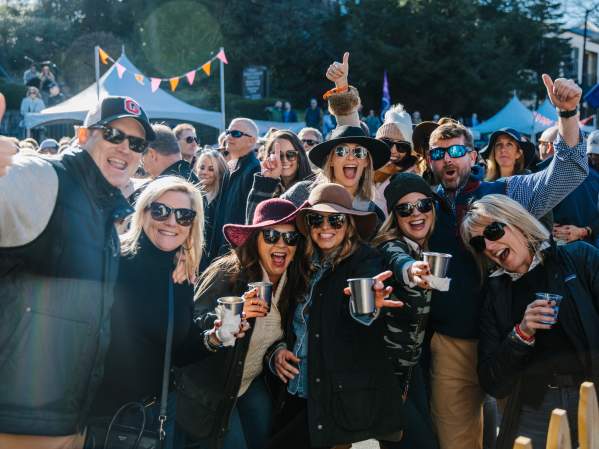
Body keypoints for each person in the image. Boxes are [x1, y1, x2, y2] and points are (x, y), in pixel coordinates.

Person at [424, 74, 586, 449]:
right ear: (428, 162)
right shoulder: (420, 208)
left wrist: (567, 115)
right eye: (437, 154)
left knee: (519, 440)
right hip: (456, 344)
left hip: (518, 338)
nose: (446, 159)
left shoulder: (506, 194)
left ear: (472, 155)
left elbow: (568, 172)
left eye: (455, 151)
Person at [0, 95, 155, 448]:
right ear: (83, 136)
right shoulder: (43, 178)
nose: (125, 149)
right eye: (113, 134)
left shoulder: (103, 211)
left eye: (137, 143)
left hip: (68, 421)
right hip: (17, 424)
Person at [87, 176, 226, 448]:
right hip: (104, 416)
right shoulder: (114, 260)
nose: (172, 222)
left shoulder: (181, 274)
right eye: (160, 210)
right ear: (143, 211)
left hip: (156, 414)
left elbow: (176, 349)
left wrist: (215, 337)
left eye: (184, 215)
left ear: (193, 224)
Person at [267, 183, 404, 449]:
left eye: (336, 219)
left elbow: (361, 309)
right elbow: (284, 320)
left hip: (336, 399)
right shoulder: (300, 263)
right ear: (307, 225)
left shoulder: (366, 260)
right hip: (296, 389)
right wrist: (277, 349)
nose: (325, 227)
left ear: (349, 223)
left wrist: (367, 306)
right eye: (317, 219)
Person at [460, 194, 599, 449]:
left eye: (493, 230)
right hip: (537, 408)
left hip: (592, 395)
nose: (489, 246)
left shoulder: (578, 258)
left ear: (517, 222)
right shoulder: (496, 292)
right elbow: (492, 382)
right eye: (479, 244)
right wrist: (521, 334)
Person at [177, 198, 309, 449]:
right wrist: (234, 314)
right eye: (271, 235)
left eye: (290, 238)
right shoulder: (228, 273)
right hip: (211, 389)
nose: (281, 244)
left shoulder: (292, 282)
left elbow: (275, 334)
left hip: (248, 382)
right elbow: (191, 329)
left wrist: (277, 352)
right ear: (255, 240)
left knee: (267, 440)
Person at [372, 173, 441, 449]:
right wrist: (411, 270)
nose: (416, 214)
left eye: (423, 205)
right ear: (394, 217)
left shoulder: (426, 249)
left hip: (411, 373)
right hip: (385, 375)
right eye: (405, 209)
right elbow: (397, 261)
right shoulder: (393, 246)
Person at [205, 118, 261, 262]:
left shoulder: (255, 170)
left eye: (236, 133)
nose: (228, 136)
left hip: (235, 258)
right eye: (228, 132)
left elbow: (250, 221)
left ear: (251, 140)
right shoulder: (230, 167)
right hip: (219, 253)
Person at [245, 130, 314, 223]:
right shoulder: (263, 185)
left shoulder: (313, 187)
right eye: (279, 155)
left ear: (300, 156)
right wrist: (267, 181)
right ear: (269, 157)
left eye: (291, 154)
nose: (285, 160)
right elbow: (251, 225)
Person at [551, 129, 599, 247]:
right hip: (560, 243)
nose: (594, 158)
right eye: (591, 154)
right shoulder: (550, 173)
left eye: (598, 155)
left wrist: (582, 231)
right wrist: (546, 225)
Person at [373, 105, 419, 216]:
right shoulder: (368, 167)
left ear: (409, 150)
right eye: (387, 144)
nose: (393, 151)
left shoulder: (415, 176)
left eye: (401, 146)